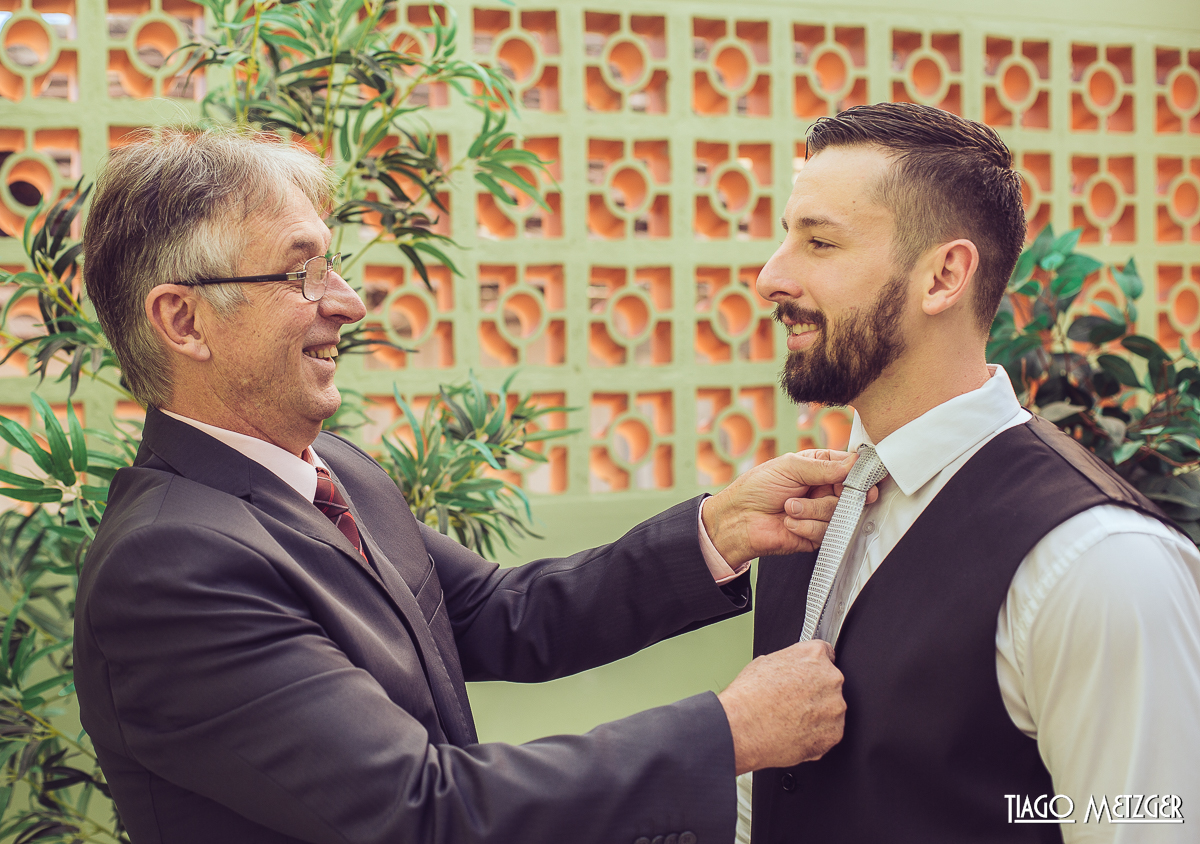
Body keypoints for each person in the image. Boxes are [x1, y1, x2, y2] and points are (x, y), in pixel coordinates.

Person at [72, 126, 852, 844]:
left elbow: (497, 612)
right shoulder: (169, 566)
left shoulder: (334, 470)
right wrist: (729, 731)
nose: (347, 301)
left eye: (332, 264)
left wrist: (718, 530)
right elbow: (418, 808)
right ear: (183, 322)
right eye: (301, 272)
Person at [743, 102, 1200, 843]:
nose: (770, 277)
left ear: (944, 276)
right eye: (786, 238)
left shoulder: (1102, 566)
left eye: (819, 242)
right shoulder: (810, 512)